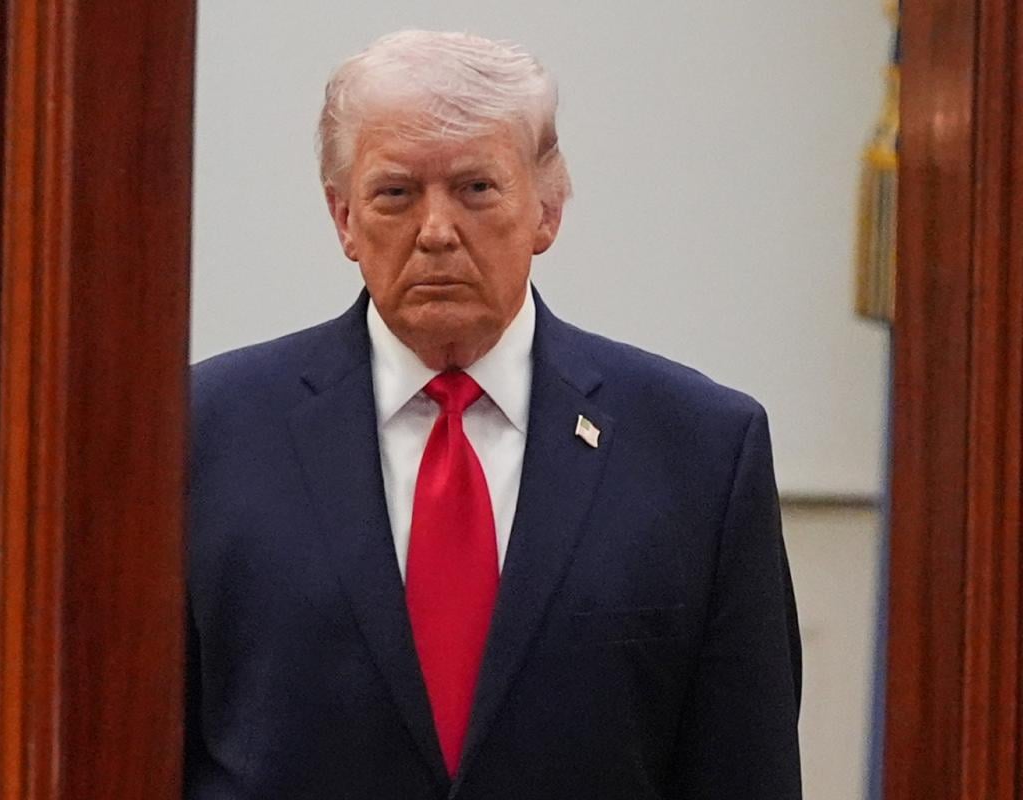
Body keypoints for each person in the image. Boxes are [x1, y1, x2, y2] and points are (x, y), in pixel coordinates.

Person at [185, 29, 801, 800]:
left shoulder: (701, 452)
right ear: (343, 218)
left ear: (547, 210)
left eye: (476, 188)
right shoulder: (206, 435)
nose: (437, 232)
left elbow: (745, 765)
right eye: (396, 193)